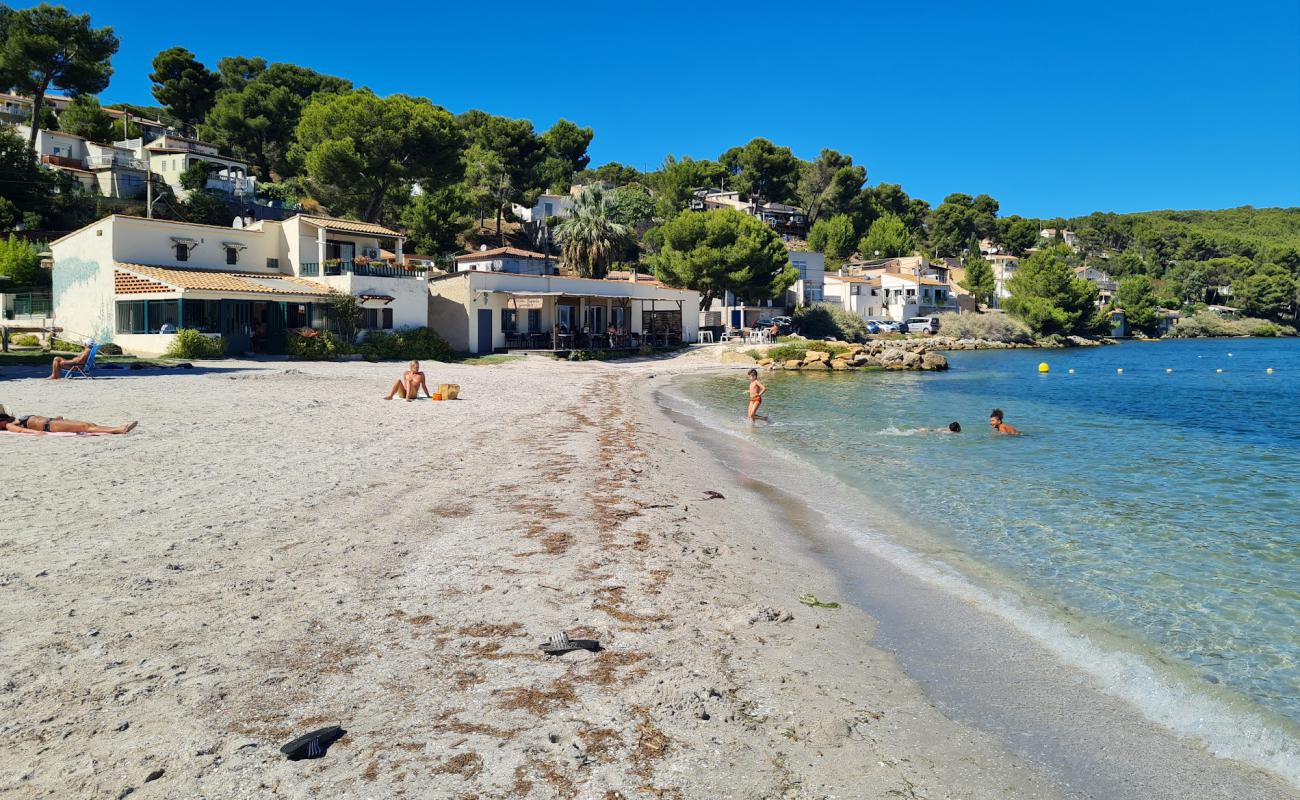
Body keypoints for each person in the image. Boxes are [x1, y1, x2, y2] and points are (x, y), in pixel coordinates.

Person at [0, 405, 137, 435]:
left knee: (89, 424)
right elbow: (21, 431)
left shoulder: (16, 419)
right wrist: (36, 433)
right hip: (50, 427)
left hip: (53, 421)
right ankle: (120, 429)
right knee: (85, 427)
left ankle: (116, 427)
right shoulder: (10, 425)